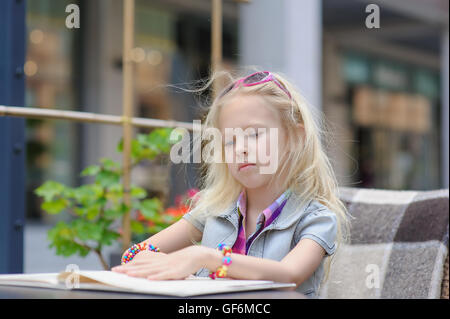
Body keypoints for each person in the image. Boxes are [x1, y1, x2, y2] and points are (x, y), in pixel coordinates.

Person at [112, 70, 352, 298]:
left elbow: (289, 275)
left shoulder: (316, 218)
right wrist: (157, 263)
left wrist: (205, 258)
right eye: (229, 141)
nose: (241, 149)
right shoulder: (213, 210)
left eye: (255, 134)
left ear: (295, 138)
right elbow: (132, 255)